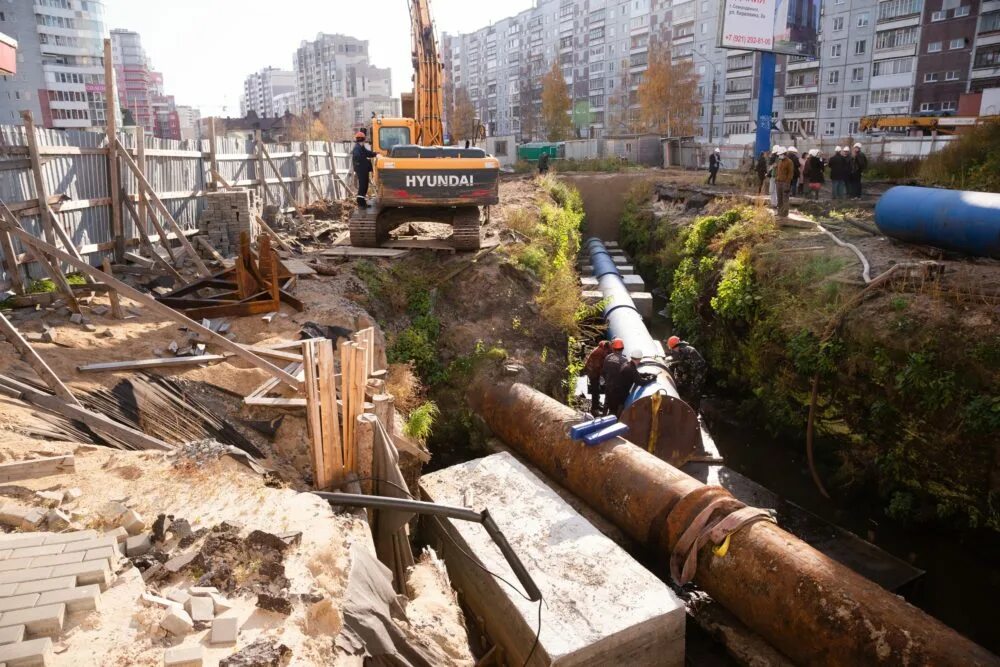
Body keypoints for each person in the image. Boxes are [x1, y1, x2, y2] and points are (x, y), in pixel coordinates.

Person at [665, 336, 707, 410]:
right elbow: (681, 364)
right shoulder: (680, 351)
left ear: (677, 346)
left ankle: (694, 410)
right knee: (683, 384)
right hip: (691, 370)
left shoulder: (688, 351)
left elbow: (694, 366)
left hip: (699, 371)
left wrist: (694, 383)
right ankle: (684, 402)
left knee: (695, 390)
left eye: (673, 349)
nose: (673, 350)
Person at [601, 339, 638, 417]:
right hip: (619, 390)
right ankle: (617, 420)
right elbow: (628, 375)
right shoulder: (624, 360)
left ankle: (603, 418)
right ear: (623, 349)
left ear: (613, 348)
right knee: (619, 406)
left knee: (607, 402)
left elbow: (603, 372)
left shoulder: (607, 357)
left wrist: (608, 380)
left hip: (608, 386)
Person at [583, 340, 612, 415]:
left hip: (595, 371)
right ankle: (594, 409)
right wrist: (605, 376)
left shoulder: (602, 350)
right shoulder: (598, 353)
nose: (609, 353)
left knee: (598, 388)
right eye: (609, 351)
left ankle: (597, 405)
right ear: (606, 348)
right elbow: (597, 367)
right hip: (592, 372)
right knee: (595, 390)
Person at [351, 131, 377, 208]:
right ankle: (361, 203)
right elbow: (357, 157)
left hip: (363, 169)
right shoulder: (357, 148)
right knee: (362, 186)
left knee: (365, 185)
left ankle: (363, 203)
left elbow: (367, 153)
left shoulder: (361, 147)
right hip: (361, 170)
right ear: (363, 140)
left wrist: (375, 154)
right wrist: (365, 161)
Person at [774, 147, 793, 218]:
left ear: (785, 154)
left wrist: (787, 183)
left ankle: (785, 213)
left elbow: (790, 173)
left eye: (781, 154)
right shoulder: (779, 161)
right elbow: (778, 171)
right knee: (779, 198)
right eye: (779, 154)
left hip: (785, 183)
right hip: (778, 182)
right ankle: (779, 212)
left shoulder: (789, 162)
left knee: (785, 198)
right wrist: (776, 179)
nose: (780, 156)